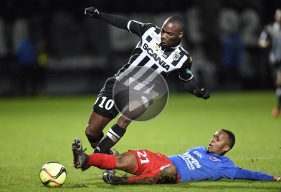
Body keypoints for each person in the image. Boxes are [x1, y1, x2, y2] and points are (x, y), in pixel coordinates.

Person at [78, 6, 210, 169]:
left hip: (144, 93)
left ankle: (90, 159)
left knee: (124, 119)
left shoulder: (183, 58)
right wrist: (100, 15)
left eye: (169, 34)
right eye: (163, 31)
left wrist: (198, 91)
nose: (163, 36)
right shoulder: (149, 31)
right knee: (91, 131)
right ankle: (108, 156)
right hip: (118, 84)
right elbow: (125, 23)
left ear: (180, 35)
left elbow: (187, 80)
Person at [71, 129, 281, 184]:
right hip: (161, 160)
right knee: (124, 159)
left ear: (225, 148)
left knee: (170, 172)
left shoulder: (225, 165)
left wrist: (270, 178)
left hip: (171, 172)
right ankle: (85, 159)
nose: (212, 139)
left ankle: (121, 181)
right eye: (213, 136)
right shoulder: (199, 149)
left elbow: (246, 173)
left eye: (217, 139)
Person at [258, 8, 281, 117]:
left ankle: (278, 108)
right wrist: (265, 43)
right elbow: (261, 41)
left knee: (279, 82)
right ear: (276, 16)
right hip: (275, 61)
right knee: (278, 84)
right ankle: (278, 106)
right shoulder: (269, 28)